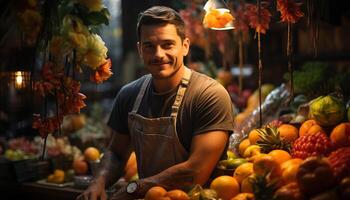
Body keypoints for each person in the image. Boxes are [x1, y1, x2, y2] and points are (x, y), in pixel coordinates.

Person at [78, 6, 235, 200]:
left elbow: (195, 172)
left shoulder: (209, 95)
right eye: (149, 46)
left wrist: (134, 188)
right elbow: (116, 153)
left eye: (168, 45)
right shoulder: (129, 95)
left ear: (185, 46)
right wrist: (98, 182)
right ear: (140, 49)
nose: (158, 54)